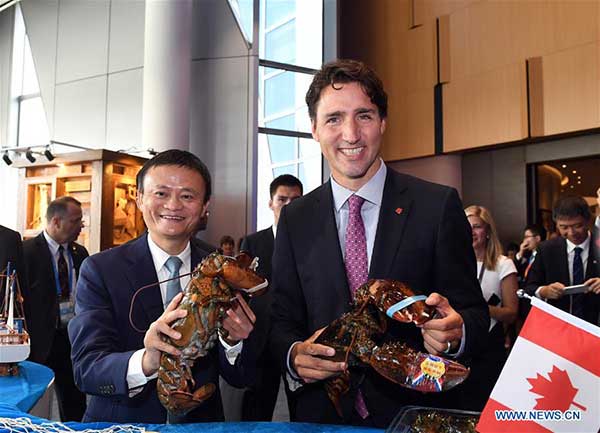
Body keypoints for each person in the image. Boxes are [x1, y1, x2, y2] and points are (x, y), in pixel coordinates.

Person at [270, 59, 489, 428]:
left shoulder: (437, 205)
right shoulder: (295, 218)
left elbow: (473, 312)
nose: (351, 134)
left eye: (364, 116)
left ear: (383, 122)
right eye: (334, 119)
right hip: (322, 417)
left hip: (417, 415)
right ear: (314, 129)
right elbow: (279, 320)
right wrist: (293, 355)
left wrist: (456, 332)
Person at [68, 150, 257, 423]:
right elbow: (86, 369)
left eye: (187, 196)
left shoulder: (224, 270)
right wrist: (147, 360)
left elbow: (245, 376)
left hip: (200, 424)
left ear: (205, 205)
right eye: (161, 193)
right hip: (121, 423)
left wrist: (233, 343)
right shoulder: (100, 270)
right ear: (139, 198)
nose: (173, 205)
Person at [240, 174, 303, 421]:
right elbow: (242, 292)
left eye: (295, 200)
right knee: (258, 407)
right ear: (270, 202)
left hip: (298, 336)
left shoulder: (312, 243)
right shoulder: (253, 242)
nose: (288, 205)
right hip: (261, 336)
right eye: (282, 199)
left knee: (301, 406)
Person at [22, 196, 88, 421]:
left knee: (75, 399)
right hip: (40, 341)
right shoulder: (26, 252)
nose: (81, 226)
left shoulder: (80, 253)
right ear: (56, 222)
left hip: (72, 338)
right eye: (76, 221)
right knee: (39, 402)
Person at [462, 205, 518, 410]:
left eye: (477, 226)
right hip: (459, 347)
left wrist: (478, 309)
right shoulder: (454, 263)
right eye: (466, 227)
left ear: (487, 231)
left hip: (488, 350)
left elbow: (512, 314)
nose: (471, 232)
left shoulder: (503, 264)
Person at [525, 195, 600, 323]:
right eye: (564, 227)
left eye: (577, 226)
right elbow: (529, 286)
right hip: (558, 326)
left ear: (588, 221)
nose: (571, 232)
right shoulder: (547, 249)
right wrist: (544, 291)